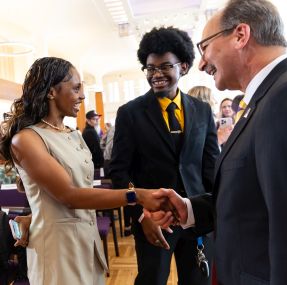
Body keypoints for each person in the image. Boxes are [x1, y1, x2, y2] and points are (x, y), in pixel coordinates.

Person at [148, 0, 287, 284]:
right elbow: (254, 201)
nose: (202, 62)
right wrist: (190, 209)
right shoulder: (267, 98)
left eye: (204, 47)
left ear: (240, 36)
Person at [0, 57, 170, 285]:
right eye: (76, 88)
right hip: (57, 250)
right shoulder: (26, 139)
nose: (82, 96)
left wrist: (35, 216)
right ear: (52, 92)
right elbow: (69, 195)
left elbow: (75, 189)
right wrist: (135, 195)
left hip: (87, 243)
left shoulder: (73, 134)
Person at [109, 27, 219, 285]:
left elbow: (211, 167)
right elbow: (119, 173)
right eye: (150, 68)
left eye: (164, 67)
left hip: (196, 218)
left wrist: (213, 212)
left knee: (197, 281)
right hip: (153, 220)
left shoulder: (202, 111)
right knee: (152, 279)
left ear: (183, 66)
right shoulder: (130, 113)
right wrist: (140, 215)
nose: (156, 75)